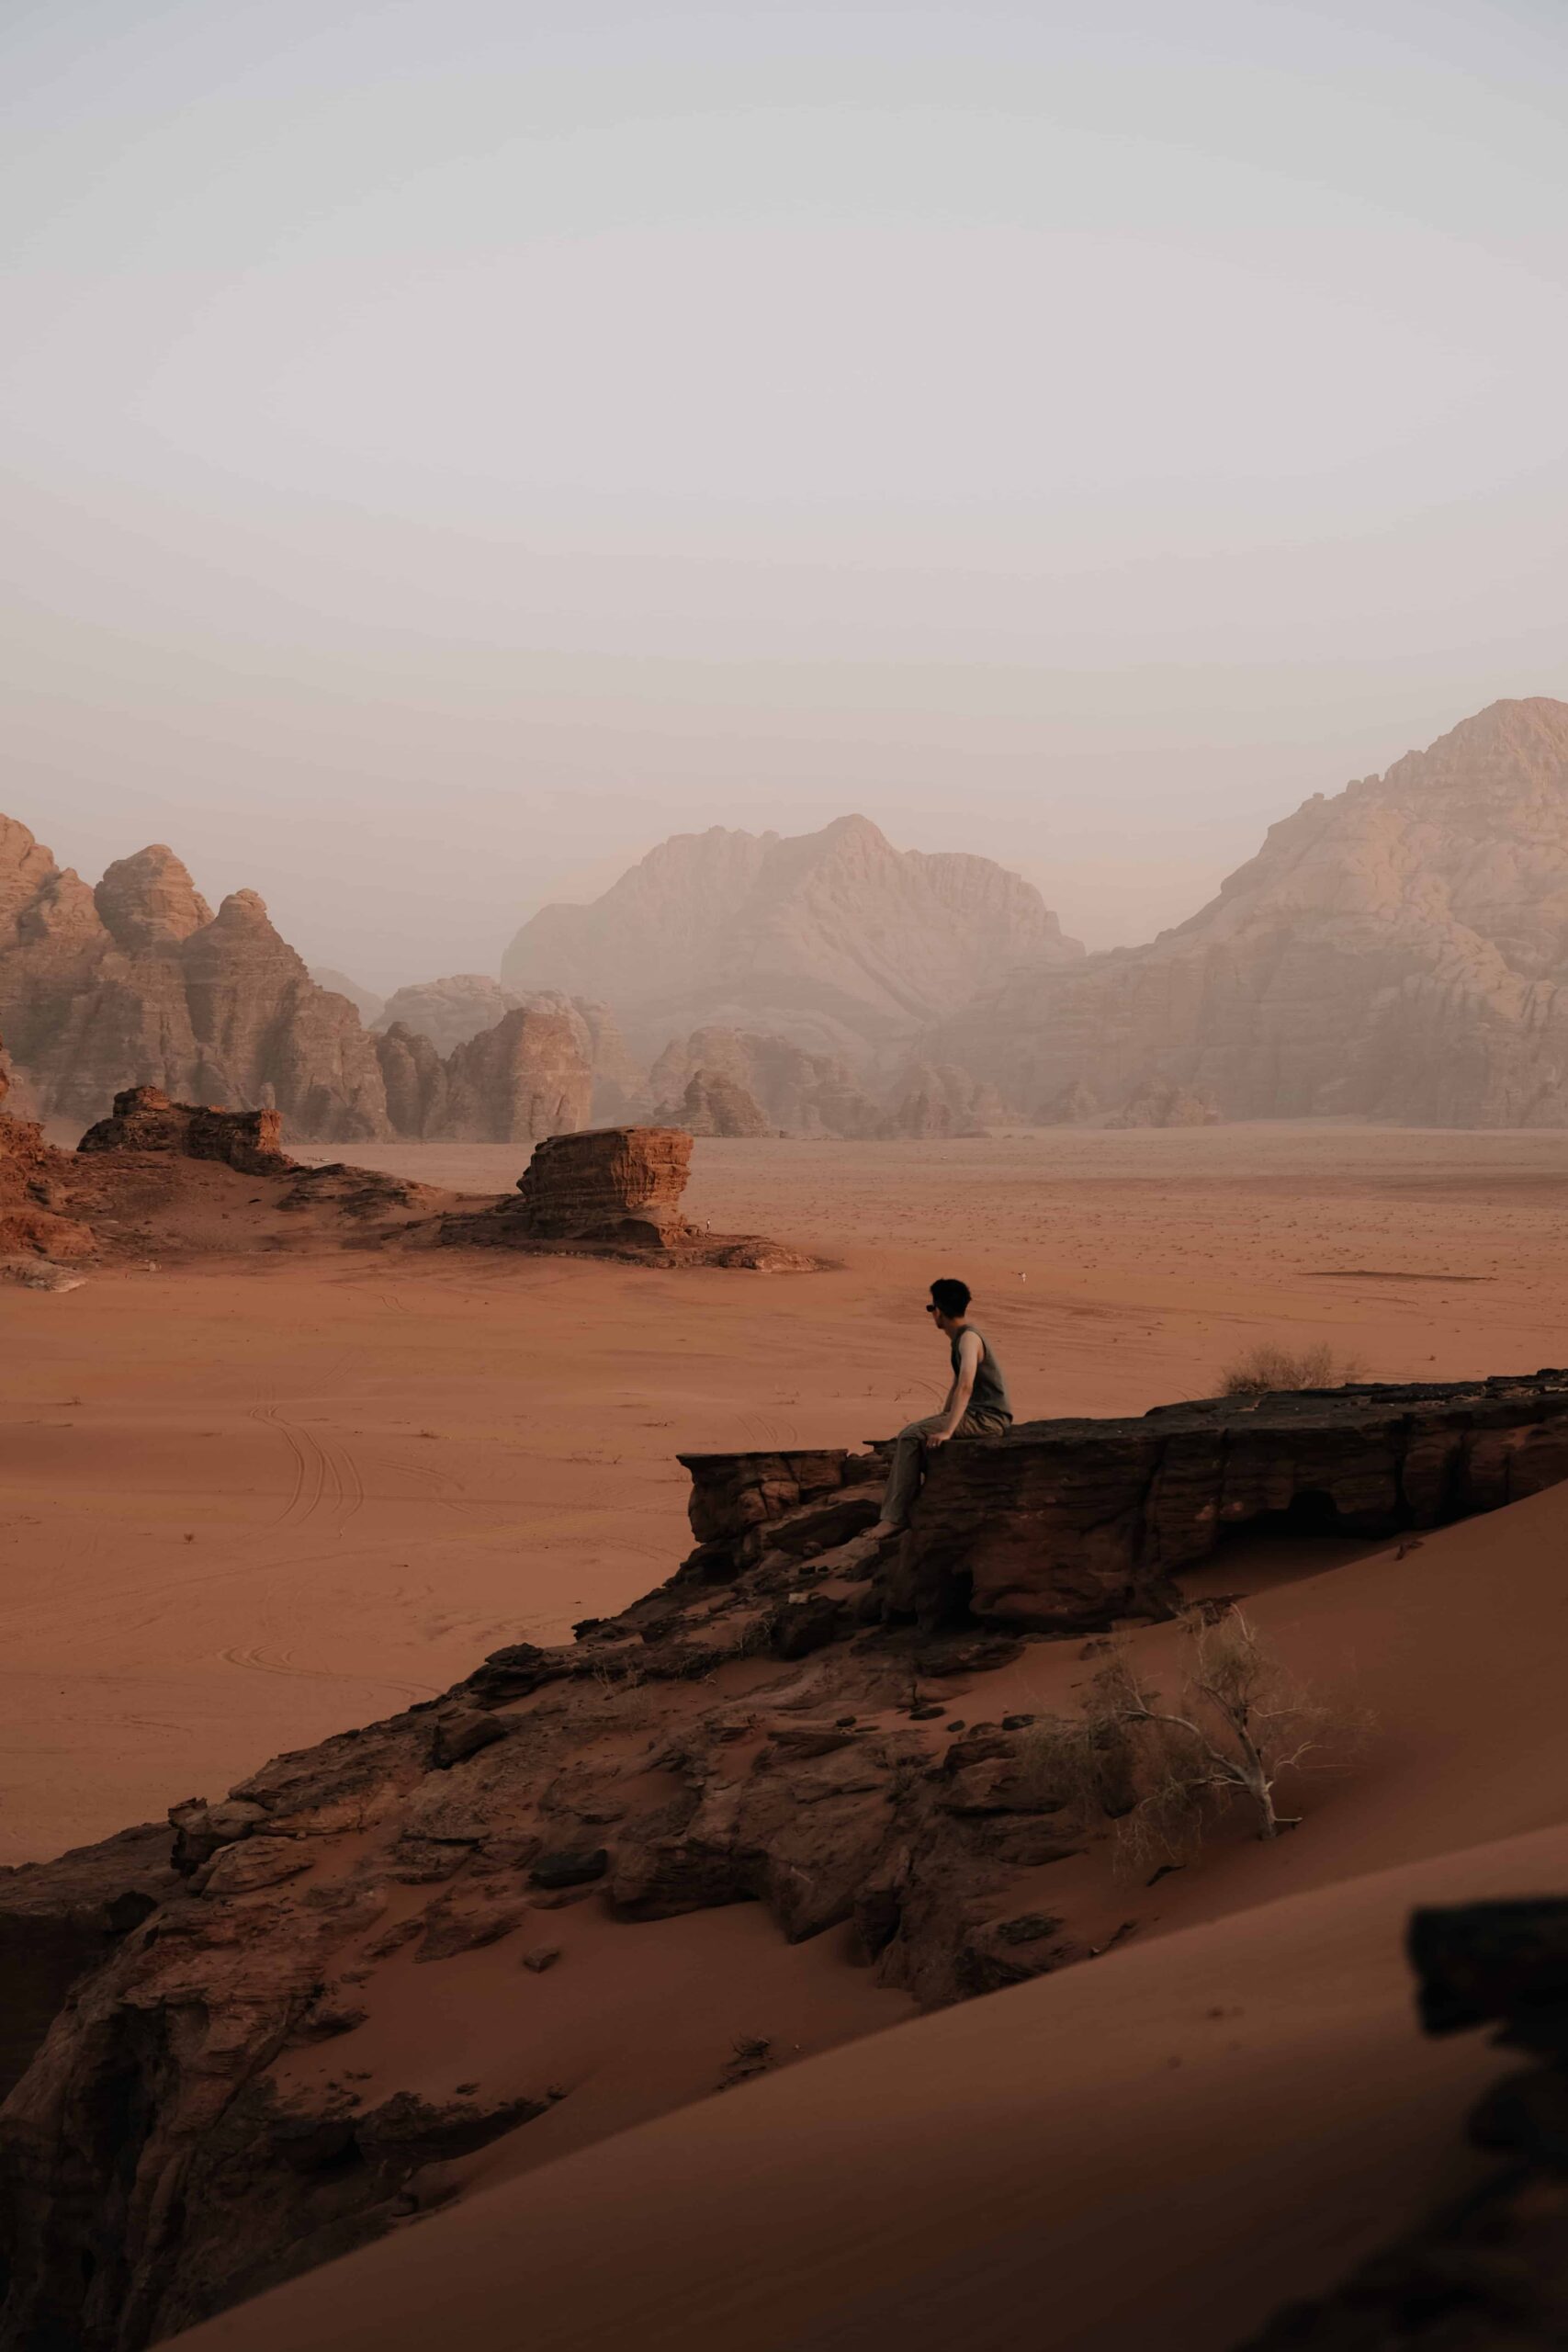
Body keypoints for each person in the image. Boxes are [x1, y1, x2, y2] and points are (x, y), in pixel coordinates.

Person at [870, 1277, 1013, 1539]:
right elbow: (957, 1384)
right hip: (981, 1415)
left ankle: (893, 1518)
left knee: (910, 1435)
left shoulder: (969, 1339)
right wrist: (944, 1417)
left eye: (931, 1308)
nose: (931, 1314)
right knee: (919, 1431)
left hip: (987, 1419)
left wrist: (947, 1430)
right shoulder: (963, 1337)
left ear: (938, 1310)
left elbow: (966, 1386)